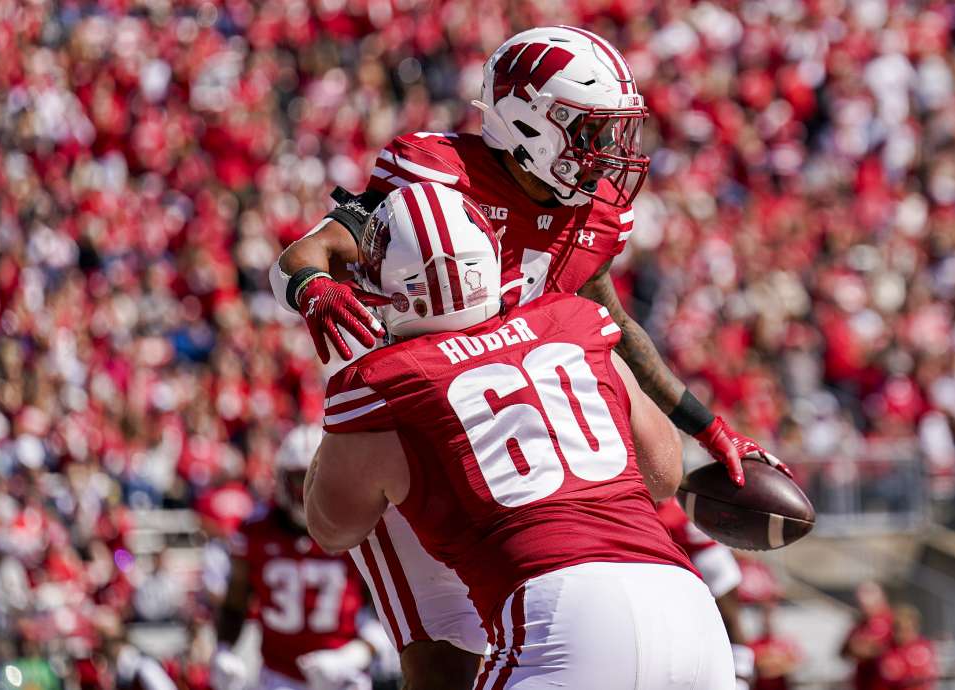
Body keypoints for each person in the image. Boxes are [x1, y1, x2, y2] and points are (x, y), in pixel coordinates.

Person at [271, 24, 785, 685]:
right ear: (527, 122)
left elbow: (619, 324)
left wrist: (708, 426)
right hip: (424, 416)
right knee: (441, 642)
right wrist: (313, 287)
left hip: (519, 423)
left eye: (611, 132)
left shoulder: (589, 222)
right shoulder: (436, 178)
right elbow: (314, 250)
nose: (607, 154)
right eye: (590, 131)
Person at [305, 181, 734, 688]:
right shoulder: (574, 322)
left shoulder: (386, 383)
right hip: (687, 608)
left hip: (559, 621)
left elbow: (332, 526)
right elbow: (663, 473)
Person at [211, 425, 389, 690]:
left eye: (317, 479)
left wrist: (354, 655)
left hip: (343, 677)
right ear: (281, 479)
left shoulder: (358, 529)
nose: (307, 491)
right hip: (278, 678)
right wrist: (223, 649)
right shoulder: (256, 532)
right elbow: (236, 602)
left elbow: (385, 611)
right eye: (299, 479)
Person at [657, 496, 755, 688]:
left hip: (705, 557)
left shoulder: (668, 514)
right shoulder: (677, 506)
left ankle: (742, 673)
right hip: (701, 557)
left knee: (728, 618)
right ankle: (742, 671)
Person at [841, 581, 894, 690]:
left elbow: (877, 650)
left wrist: (860, 647)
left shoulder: (890, 621)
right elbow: (844, 651)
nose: (864, 608)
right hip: (863, 683)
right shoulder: (861, 623)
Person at [876, 606, 938, 690]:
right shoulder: (887, 650)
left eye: (907, 629)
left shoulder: (923, 648)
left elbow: (927, 676)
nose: (903, 634)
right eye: (899, 629)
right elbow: (889, 675)